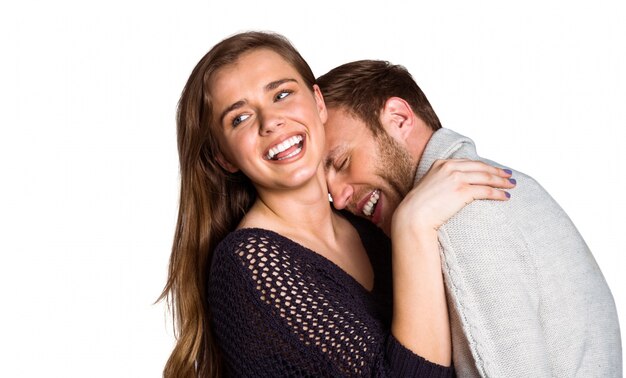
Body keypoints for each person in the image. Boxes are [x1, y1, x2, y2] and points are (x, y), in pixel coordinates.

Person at [159, 32, 516, 377]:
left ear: (318, 102)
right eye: (240, 118)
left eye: (281, 94)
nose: (271, 122)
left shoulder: (367, 229)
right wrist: (414, 223)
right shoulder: (249, 261)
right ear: (224, 157)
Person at [317, 60, 622, 377]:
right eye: (327, 188)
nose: (338, 198)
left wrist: (412, 220)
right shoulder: (494, 185)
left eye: (341, 161)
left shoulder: (462, 219)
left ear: (399, 118)